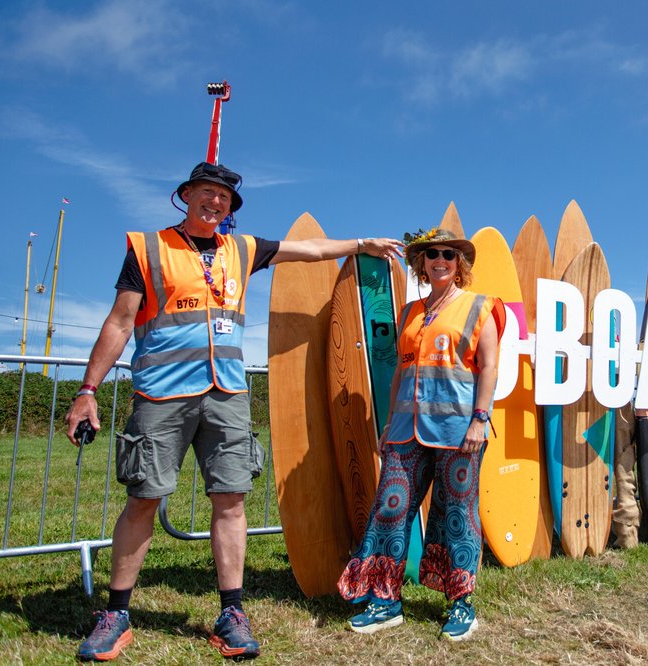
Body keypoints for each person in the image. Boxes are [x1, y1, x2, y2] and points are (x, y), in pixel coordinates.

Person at [64, 162, 403, 662]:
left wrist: (360, 245)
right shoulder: (148, 248)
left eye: (224, 198)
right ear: (186, 196)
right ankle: (116, 614)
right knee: (143, 500)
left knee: (232, 501)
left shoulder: (240, 250)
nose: (216, 203)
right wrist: (88, 389)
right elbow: (119, 322)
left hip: (227, 396)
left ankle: (232, 613)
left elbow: (307, 251)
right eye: (206, 193)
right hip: (162, 395)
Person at [337, 228, 504, 641]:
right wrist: (389, 423)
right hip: (405, 430)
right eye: (432, 255)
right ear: (422, 263)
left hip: (458, 431)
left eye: (448, 254)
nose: (440, 260)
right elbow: (401, 371)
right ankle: (384, 599)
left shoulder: (481, 307)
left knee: (457, 515)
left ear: (459, 263)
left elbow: (490, 368)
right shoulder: (410, 311)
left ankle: (461, 603)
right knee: (390, 508)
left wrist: (480, 419)